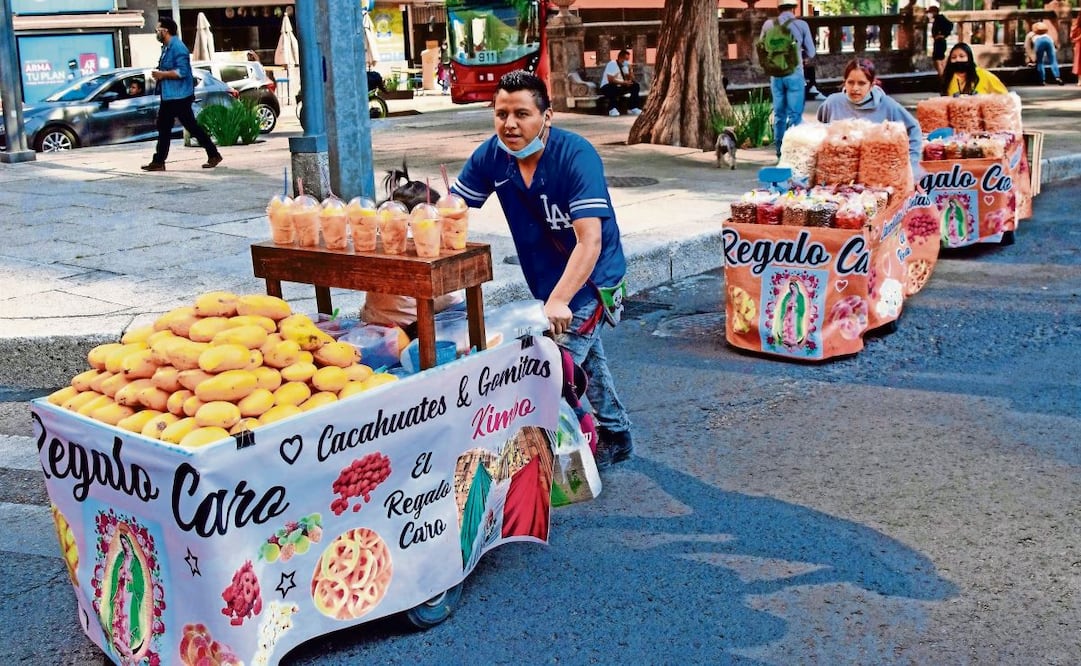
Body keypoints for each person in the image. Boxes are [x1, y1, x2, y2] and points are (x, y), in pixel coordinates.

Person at [450, 70, 633, 469]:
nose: (510, 124)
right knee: (587, 361)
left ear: (546, 117)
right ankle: (617, 432)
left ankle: (544, 460)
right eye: (501, 114)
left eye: (522, 114)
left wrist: (561, 299)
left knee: (553, 370)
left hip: (590, 279)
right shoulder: (493, 156)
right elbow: (453, 209)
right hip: (547, 281)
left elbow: (591, 241)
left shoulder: (575, 156)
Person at [142, 17, 223, 172]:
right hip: (169, 96)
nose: (156, 34)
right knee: (164, 127)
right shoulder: (166, 48)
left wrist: (162, 74)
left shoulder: (178, 48)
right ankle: (159, 161)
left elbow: (183, 72)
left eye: (157, 30)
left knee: (191, 126)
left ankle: (213, 154)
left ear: (165, 31)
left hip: (179, 96)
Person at [817, 58, 922, 173]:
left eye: (861, 83)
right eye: (850, 82)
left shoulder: (887, 105)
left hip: (877, 172)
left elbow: (914, 128)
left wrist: (912, 165)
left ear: (871, 85)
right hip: (839, 173)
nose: (855, 88)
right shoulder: (832, 103)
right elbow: (820, 132)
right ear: (844, 82)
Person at [760, 0, 817, 158]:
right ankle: (795, 151)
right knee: (795, 115)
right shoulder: (801, 25)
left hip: (776, 75)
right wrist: (800, 54)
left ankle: (779, 151)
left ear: (778, 8)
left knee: (779, 114)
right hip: (794, 73)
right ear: (794, 7)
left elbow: (761, 47)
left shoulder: (768, 25)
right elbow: (811, 52)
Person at [941, 42, 1008, 96]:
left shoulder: (984, 75)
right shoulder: (948, 78)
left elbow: (1005, 97)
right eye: (953, 57)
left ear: (969, 58)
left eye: (962, 56)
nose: (957, 59)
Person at [599, 49, 642, 117]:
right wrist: (623, 83)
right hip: (607, 87)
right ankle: (612, 109)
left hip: (620, 85)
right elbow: (610, 79)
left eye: (628, 59)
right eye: (626, 59)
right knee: (613, 87)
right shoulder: (612, 64)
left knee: (635, 85)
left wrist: (630, 70)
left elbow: (631, 79)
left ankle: (633, 108)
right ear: (621, 58)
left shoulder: (624, 66)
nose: (627, 61)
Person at [1025, 21, 1065, 85]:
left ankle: (1042, 80)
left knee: (1040, 62)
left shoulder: (1030, 34)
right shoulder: (1046, 34)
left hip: (1039, 42)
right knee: (1053, 61)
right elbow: (1054, 42)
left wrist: (1030, 58)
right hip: (1049, 41)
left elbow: (1027, 47)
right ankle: (1057, 77)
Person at [927, 5, 953, 78]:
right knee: (938, 58)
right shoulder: (936, 19)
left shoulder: (940, 18)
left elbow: (950, 24)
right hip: (938, 41)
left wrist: (943, 34)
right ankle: (942, 74)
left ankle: (942, 75)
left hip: (940, 41)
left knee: (938, 58)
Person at [1072, 13, 1081, 86]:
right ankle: (1080, 80)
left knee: (1079, 61)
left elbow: (1072, 34)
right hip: (1079, 43)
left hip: (1079, 43)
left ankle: (1080, 80)